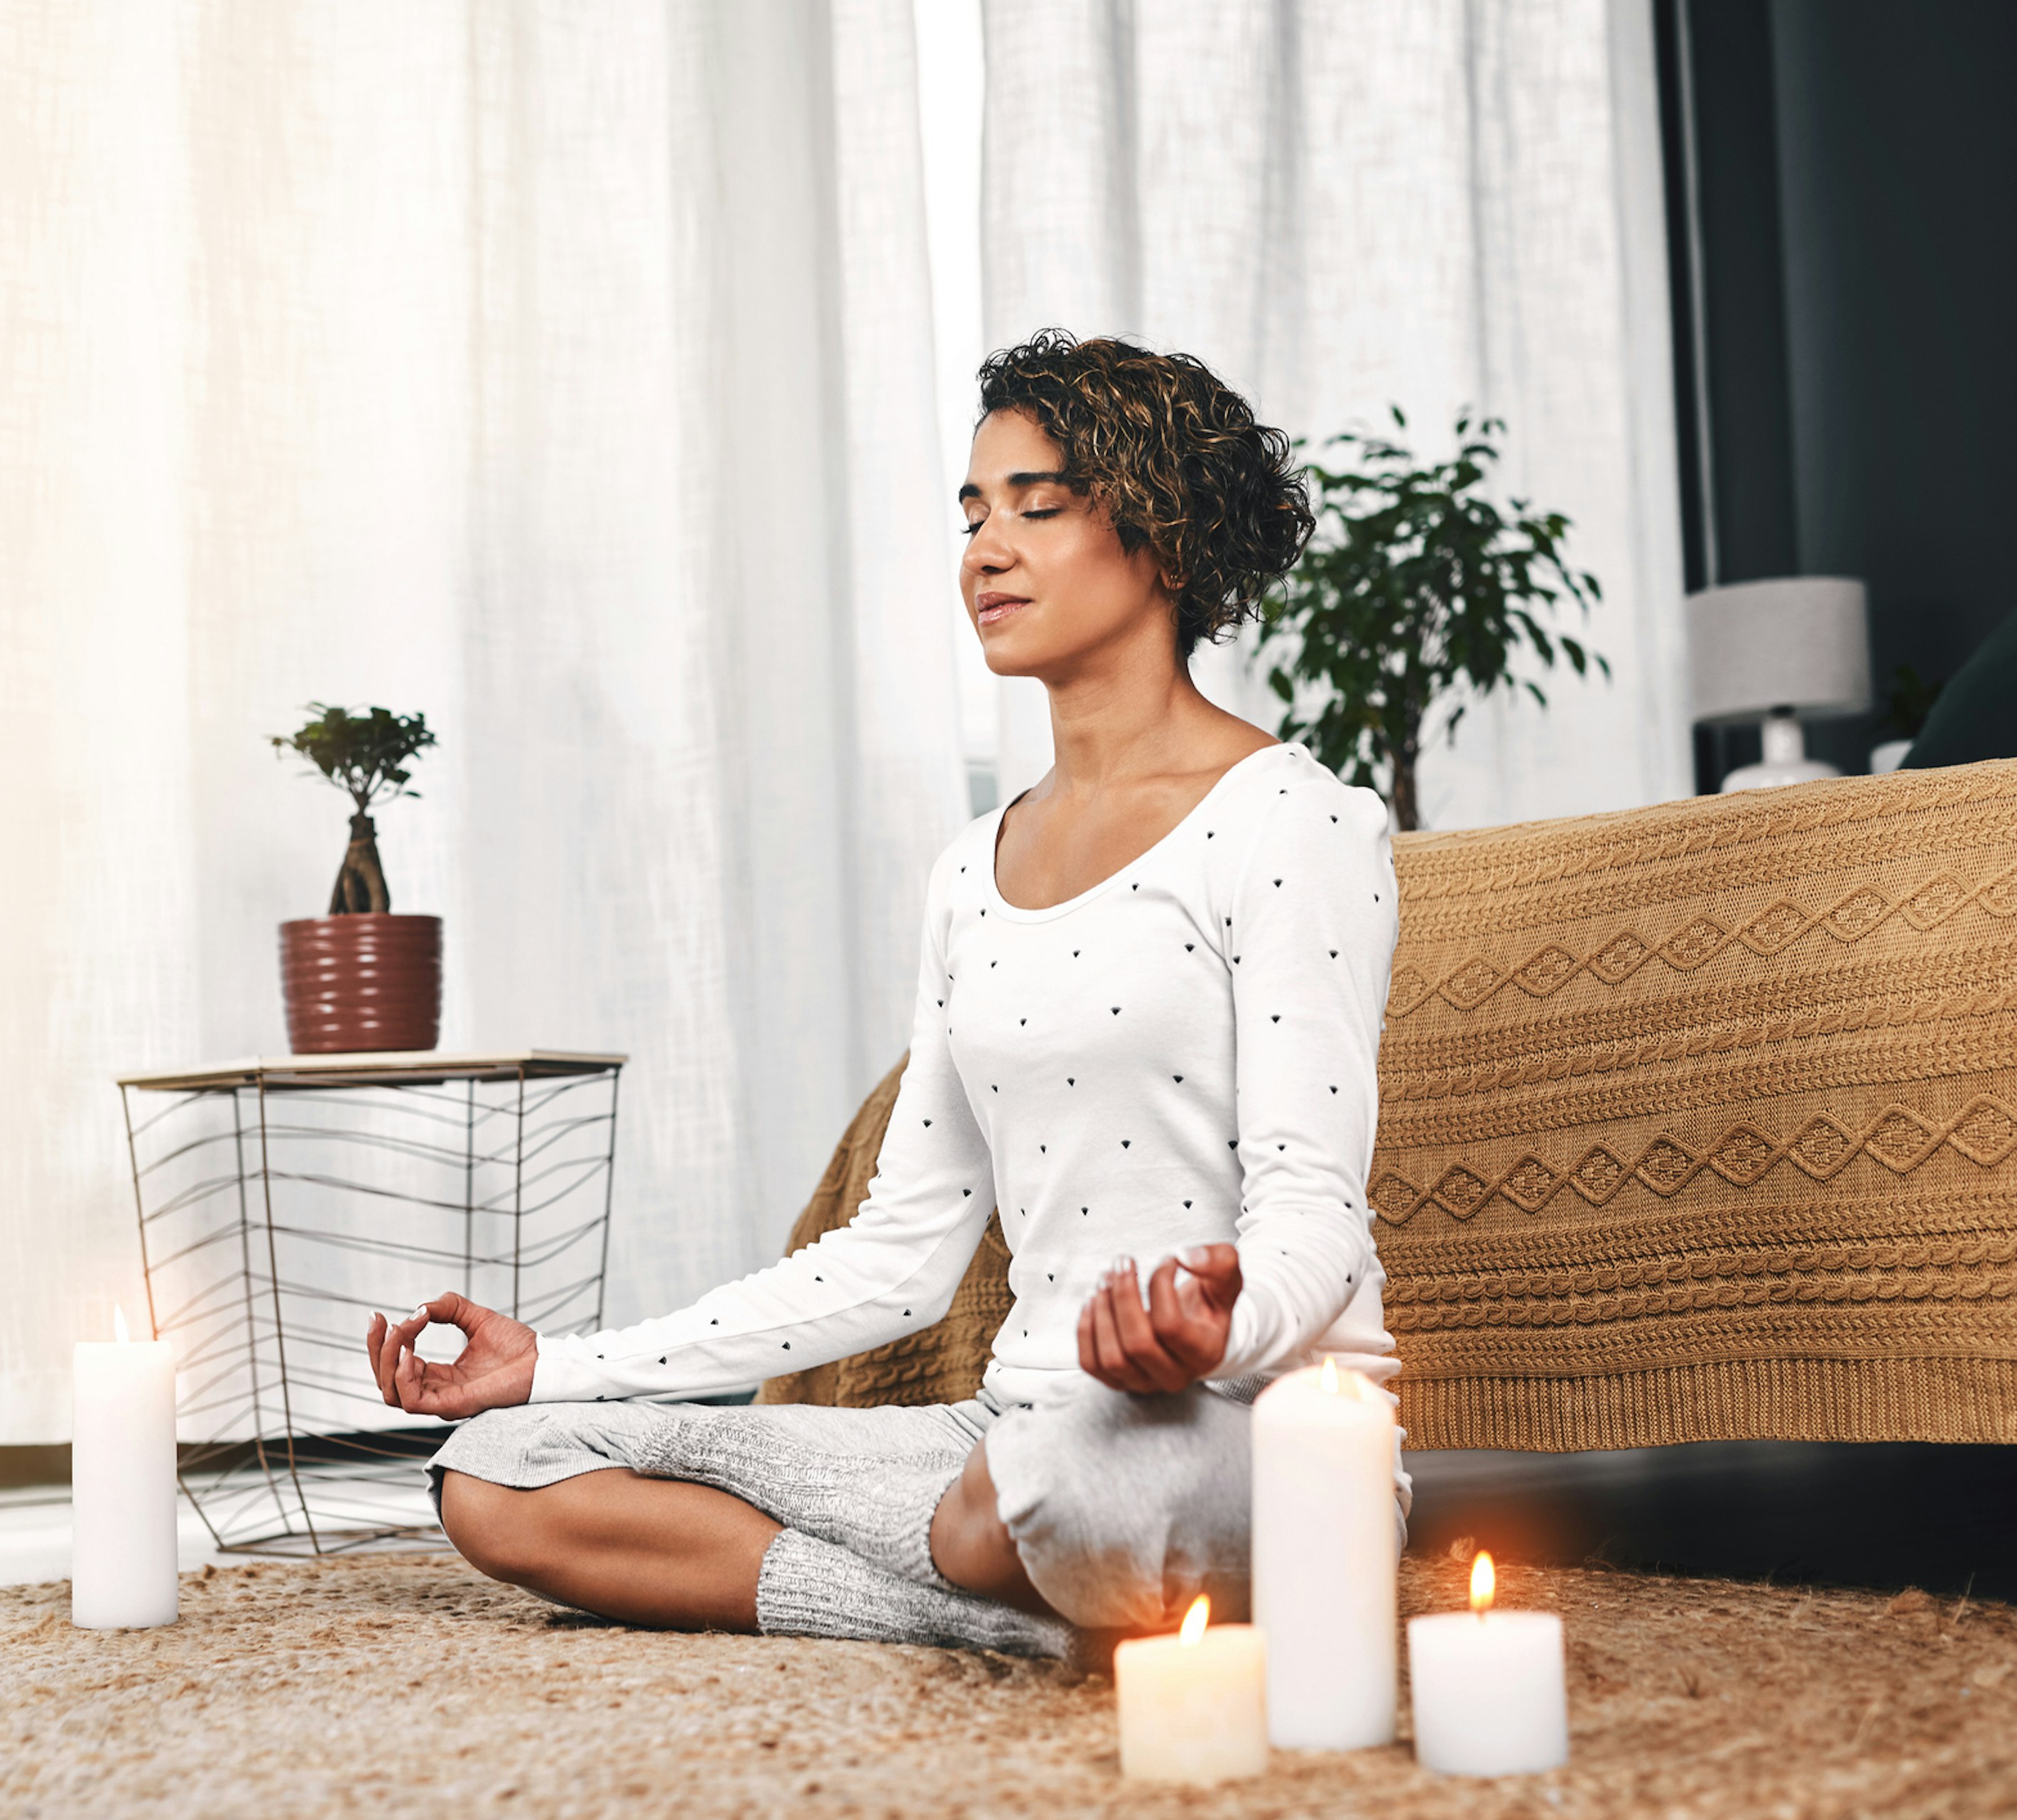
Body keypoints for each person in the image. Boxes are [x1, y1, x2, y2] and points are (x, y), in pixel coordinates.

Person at [366, 329, 1404, 1660]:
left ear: (1168, 539)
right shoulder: (974, 869)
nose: (985, 550)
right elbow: (899, 1252)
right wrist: (554, 1363)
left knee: (1064, 1477)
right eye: (974, 514)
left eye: (1041, 506)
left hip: (1247, 1430)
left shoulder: (1294, 823)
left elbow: (1315, 1216)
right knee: (503, 1472)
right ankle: (1005, 1611)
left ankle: (1014, 1555)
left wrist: (1218, 1323)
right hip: (1003, 1434)